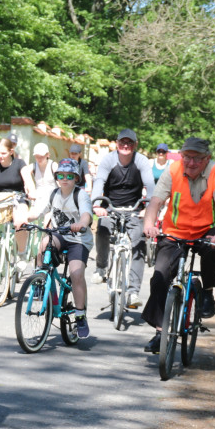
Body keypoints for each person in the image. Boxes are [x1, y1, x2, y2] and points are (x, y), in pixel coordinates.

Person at [140, 137, 215, 352]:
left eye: (197, 158)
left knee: (213, 251)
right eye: (187, 157)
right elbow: (156, 200)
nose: (191, 163)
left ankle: (208, 291)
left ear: (207, 158)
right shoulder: (173, 170)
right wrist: (149, 224)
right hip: (176, 230)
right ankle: (160, 332)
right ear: (181, 156)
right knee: (160, 277)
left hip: (207, 229)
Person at [90, 128, 155, 309]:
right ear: (117, 144)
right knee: (102, 228)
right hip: (111, 207)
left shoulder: (141, 161)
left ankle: (133, 292)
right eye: (122, 142)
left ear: (135, 145)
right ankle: (101, 268)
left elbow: (150, 185)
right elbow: (99, 181)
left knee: (139, 243)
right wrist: (97, 205)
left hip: (134, 209)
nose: (125, 146)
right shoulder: (108, 160)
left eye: (130, 143)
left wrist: (149, 208)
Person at [39, 159, 94, 339]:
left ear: (76, 178)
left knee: (76, 274)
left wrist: (82, 224)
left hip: (79, 239)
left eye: (69, 176)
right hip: (60, 235)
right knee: (42, 244)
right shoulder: (53, 194)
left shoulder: (81, 195)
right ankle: (40, 280)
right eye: (60, 175)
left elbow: (86, 214)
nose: (64, 179)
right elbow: (38, 210)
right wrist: (24, 218)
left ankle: (80, 316)